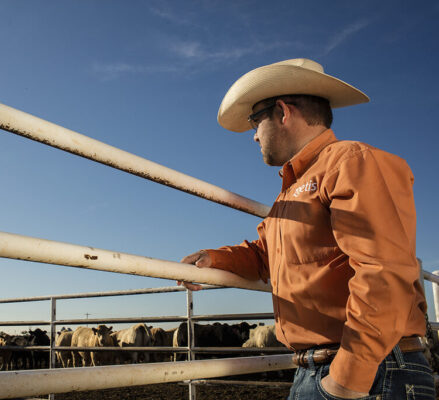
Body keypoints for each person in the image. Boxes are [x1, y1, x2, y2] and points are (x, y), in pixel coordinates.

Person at [179, 59, 434, 399]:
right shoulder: (292, 191)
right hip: (319, 368)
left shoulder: (352, 161)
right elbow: (266, 256)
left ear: (283, 112)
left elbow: (383, 269)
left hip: (370, 368)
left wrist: (349, 375)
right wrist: (214, 259)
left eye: (255, 121)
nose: (253, 135)